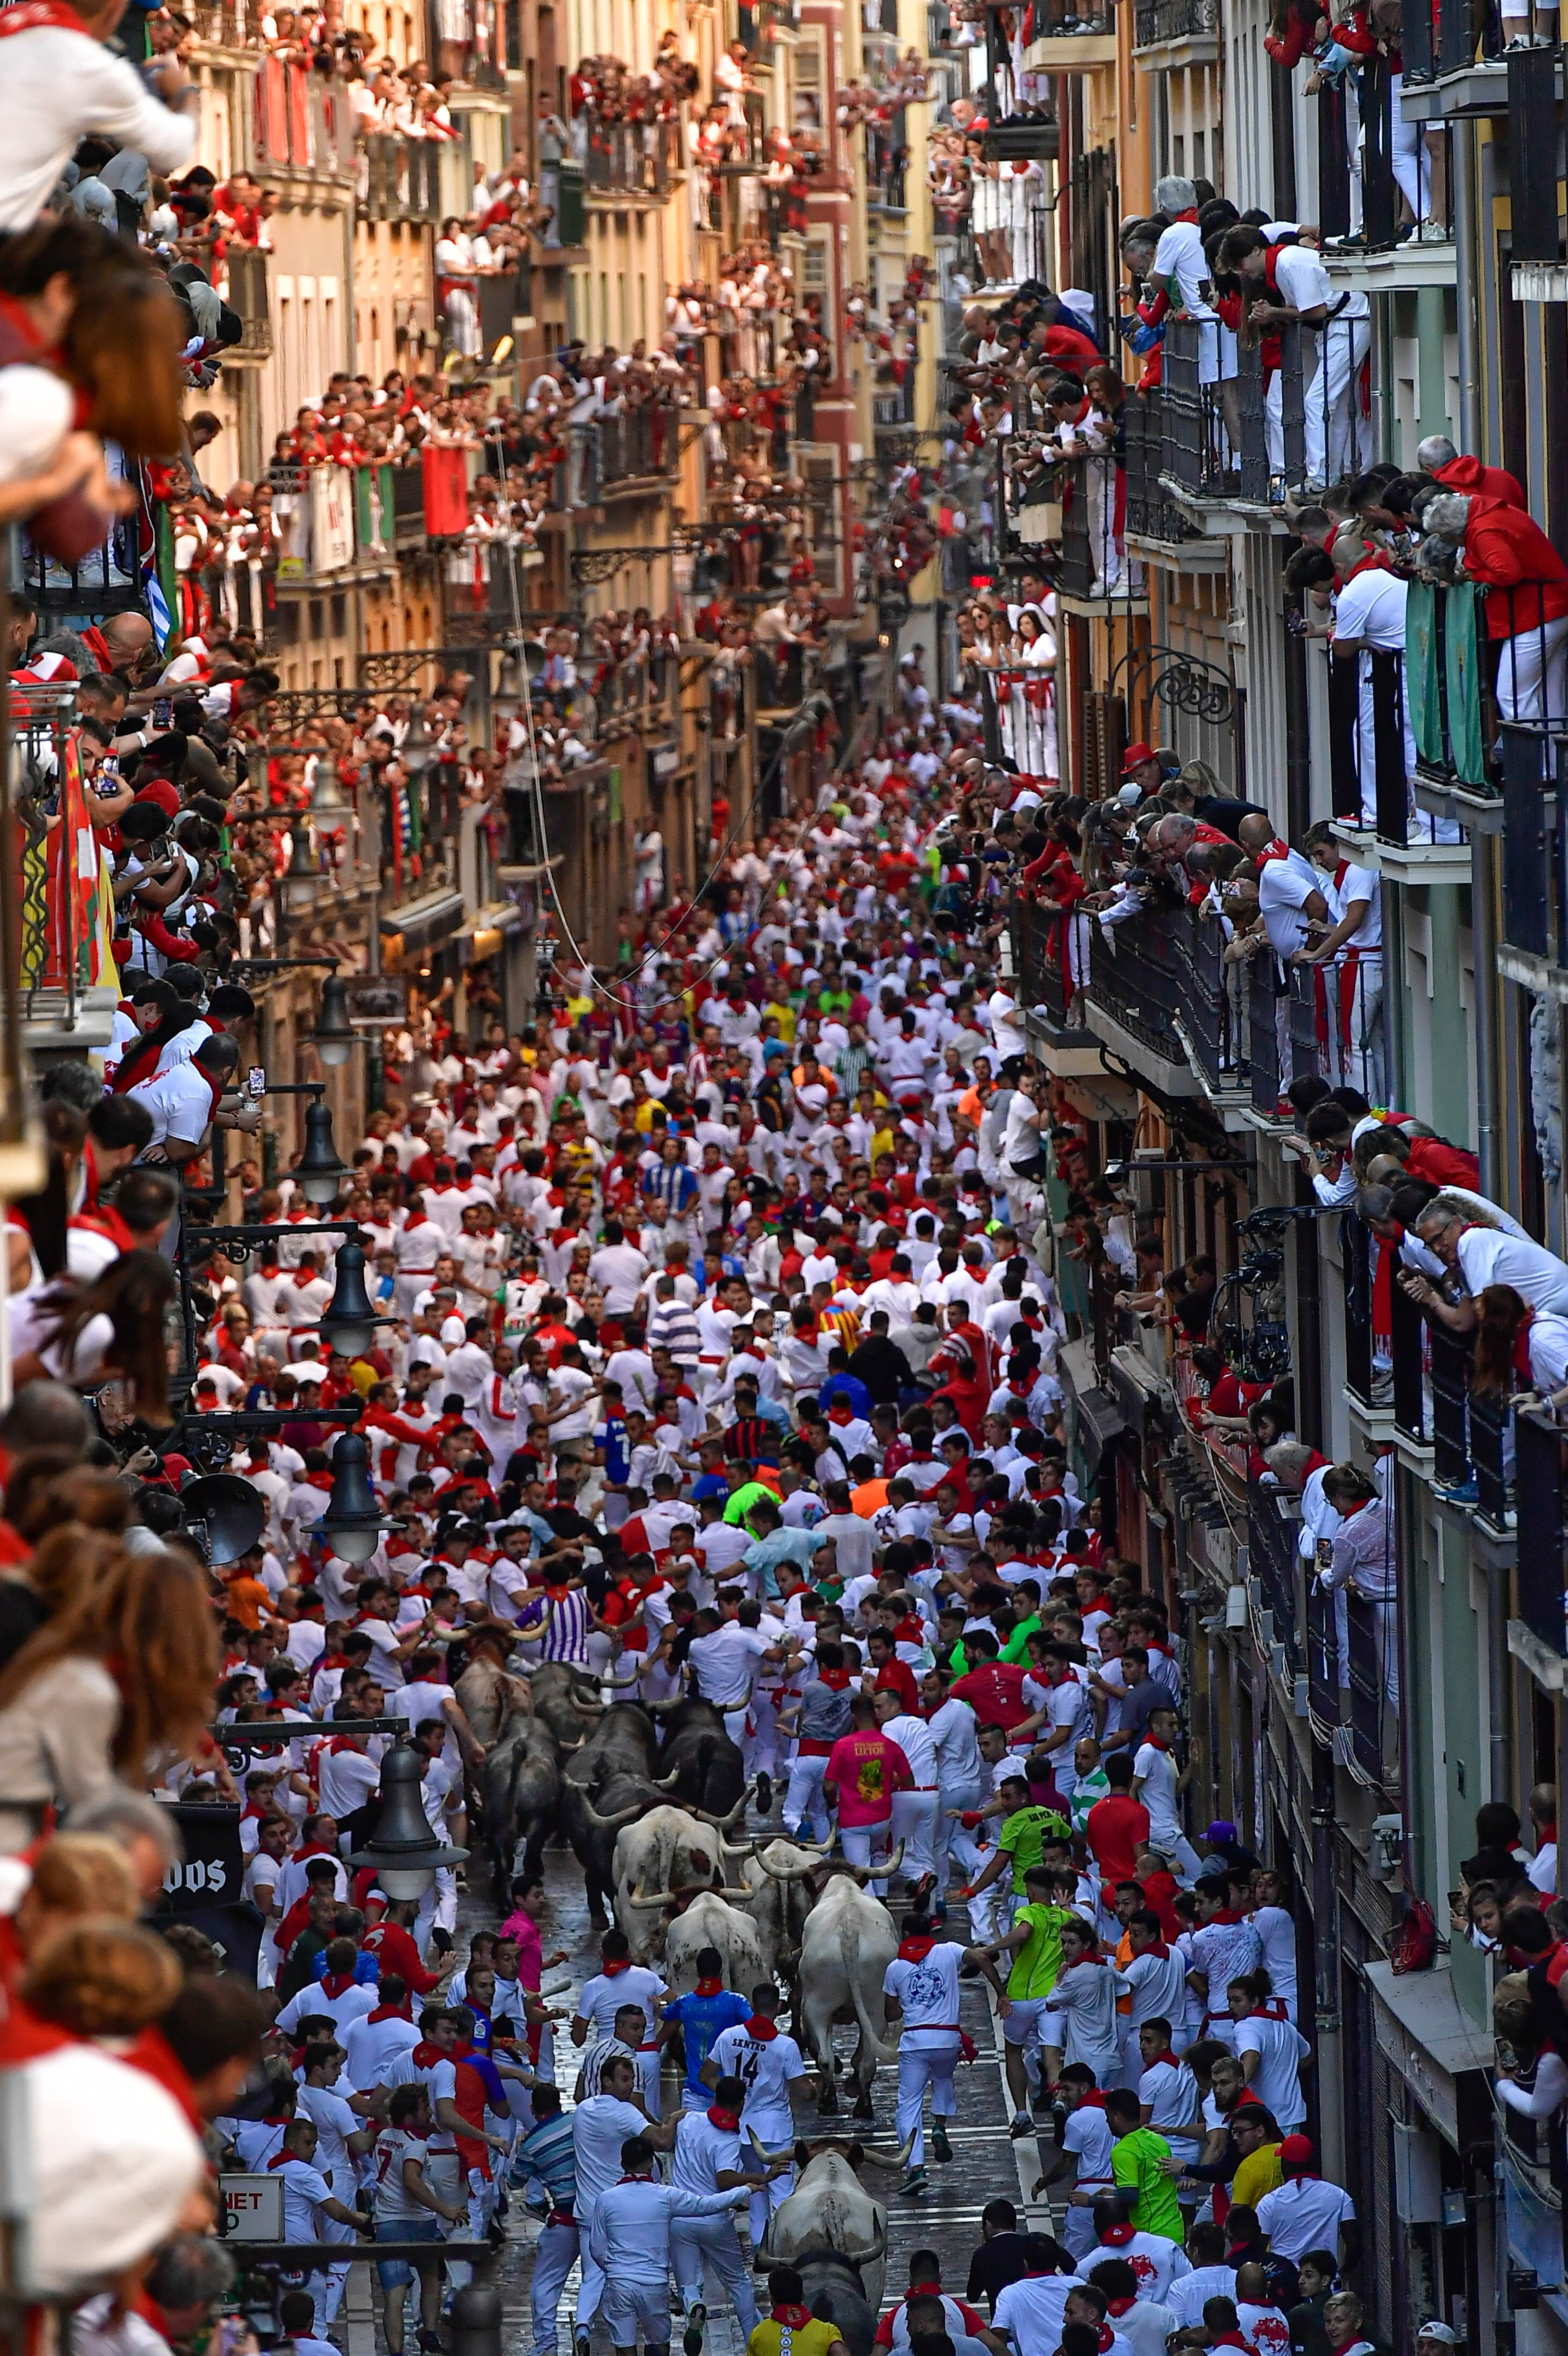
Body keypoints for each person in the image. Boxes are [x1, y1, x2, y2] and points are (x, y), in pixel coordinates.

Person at [586, 2131, 751, 2356]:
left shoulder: (606, 2199)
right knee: (659, 2344)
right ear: (650, 2164)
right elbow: (709, 2205)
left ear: (623, 2164)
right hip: (654, 2283)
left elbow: (596, 2248)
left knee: (624, 2346)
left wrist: (618, 2269)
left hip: (620, 2283)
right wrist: (747, 2189)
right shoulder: (666, 2196)